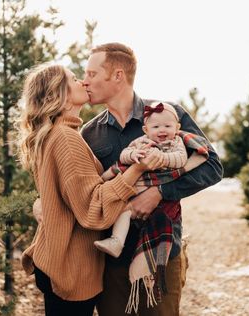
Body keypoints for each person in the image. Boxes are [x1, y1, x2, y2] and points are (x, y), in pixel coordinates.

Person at [80, 42, 223, 316]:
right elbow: (88, 190)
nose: (85, 81)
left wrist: (160, 192)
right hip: (110, 260)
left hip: (161, 253)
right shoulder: (90, 133)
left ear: (118, 75)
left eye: (92, 73)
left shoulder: (168, 115)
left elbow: (212, 166)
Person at [16, 64, 163, 316]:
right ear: (57, 94)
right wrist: (136, 170)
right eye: (74, 79)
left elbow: (63, 193)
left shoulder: (58, 134)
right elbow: (92, 208)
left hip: (60, 258)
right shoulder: (65, 138)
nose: (83, 82)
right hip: (70, 265)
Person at [94, 101, 188, 258]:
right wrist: (133, 155)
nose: (162, 130)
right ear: (146, 130)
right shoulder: (141, 142)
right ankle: (117, 241)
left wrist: (162, 158)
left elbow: (181, 159)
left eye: (167, 126)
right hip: (137, 187)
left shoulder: (175, 142)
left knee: (161, 220)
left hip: (160, 186)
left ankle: (159, 251)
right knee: (123, 210)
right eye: (156, 127)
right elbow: (124, 154)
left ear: (177, 128)